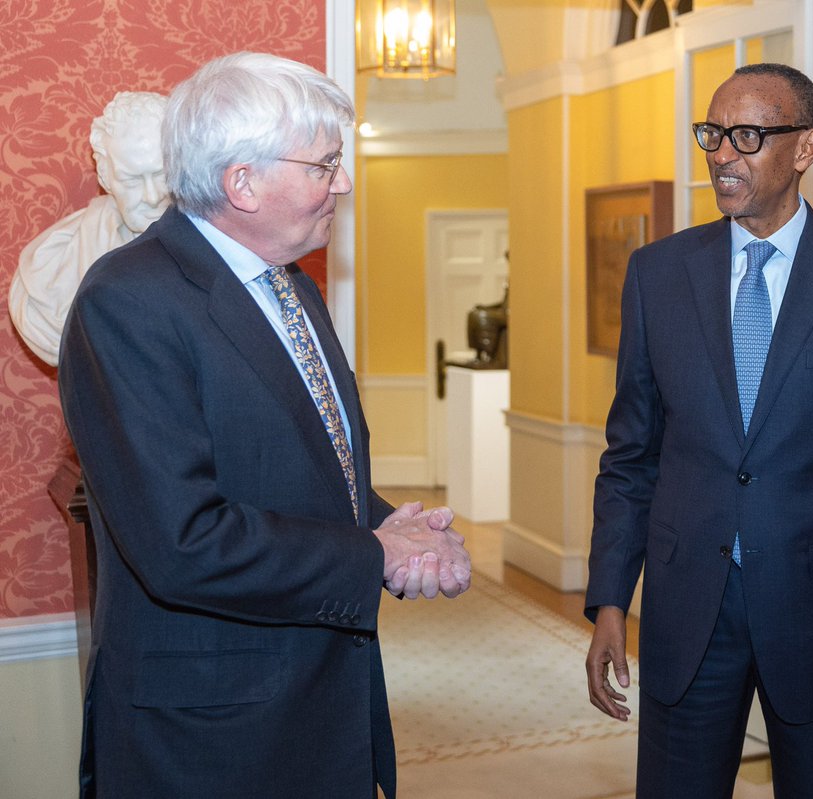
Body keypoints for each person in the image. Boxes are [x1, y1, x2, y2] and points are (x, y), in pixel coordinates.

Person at [58, 52, 471, 799]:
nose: (342, 182)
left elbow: (304, 470)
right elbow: (182, 541)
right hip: (212, 740)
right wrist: (370, 552)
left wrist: (394, 527)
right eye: (324, 164)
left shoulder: (294, 289)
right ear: (240, 182)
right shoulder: (128, 300)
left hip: (319, 710)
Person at [584, 62, 813, 798]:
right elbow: (631, 454)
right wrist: (610, 595)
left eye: (746, 136)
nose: (720, 154)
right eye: (713, 134)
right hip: (687, 613)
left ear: (805, 149)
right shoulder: (658, 273)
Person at [10, 91, 170, 366]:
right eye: (132, 180)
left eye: (162, 174)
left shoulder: (230, 240)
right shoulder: (51, 266)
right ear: (106, 178)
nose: (153, 196)